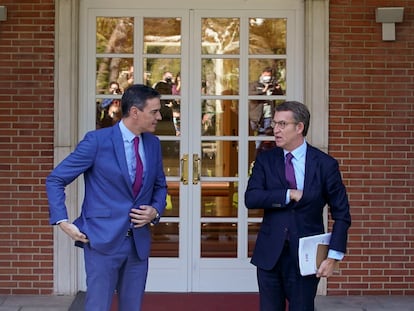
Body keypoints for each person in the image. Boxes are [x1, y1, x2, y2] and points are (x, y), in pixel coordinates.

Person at [46, 84, 168, 311]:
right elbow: (55, 179)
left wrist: (155, 210)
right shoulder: (97, 141)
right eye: (154, 111)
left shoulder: (153, 144)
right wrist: (62, 222)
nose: (159, 117)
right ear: (134, 112)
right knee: (97, 307)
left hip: (138, 244)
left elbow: (160, 186)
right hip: (101, 240)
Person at [244, 101, 351, 311]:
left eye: (282, 124)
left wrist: (333, 256)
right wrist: (287, 194)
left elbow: (342, 214)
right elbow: (252, 198)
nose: (275, 129)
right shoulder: (266, 160)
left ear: (299, 127)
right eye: (275, 123)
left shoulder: (325, 164)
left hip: (306, 257)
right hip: (270, 255)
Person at [249, 67, 284, 149]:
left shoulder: (273, 85)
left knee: (265, 135)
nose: (267, 78)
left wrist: (278, 89)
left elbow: (280, 96)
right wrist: (263, 91)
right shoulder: (255, 85)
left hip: (268, 115)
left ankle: (261, 154)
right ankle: (256, 155)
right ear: (262, 74)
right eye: (266, 75)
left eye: (269, 76)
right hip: (256, 116)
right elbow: (251, 96)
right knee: (256, 135)